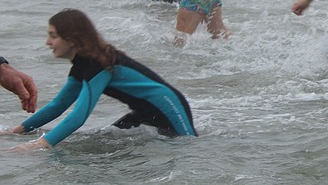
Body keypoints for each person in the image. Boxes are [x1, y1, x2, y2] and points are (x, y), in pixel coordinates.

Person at [1, 9, 196, 152]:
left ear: (72, 39)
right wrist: (17, 131)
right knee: (104, 141)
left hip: (170, 107)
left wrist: (39, 145)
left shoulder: (99, 64)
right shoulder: (82, 65)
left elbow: (79, 116)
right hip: (144, 113)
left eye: (53, 36)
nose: (47, 42)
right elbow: (58, 106)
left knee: (189, 149)